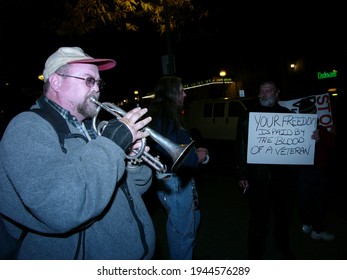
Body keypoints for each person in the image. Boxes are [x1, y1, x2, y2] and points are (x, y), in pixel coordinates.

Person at [0, 46, 156, 260]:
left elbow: (131, 190)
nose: (97, 89)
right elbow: (62, 208)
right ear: (56, 81)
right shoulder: (26, 129)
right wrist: (111, 147)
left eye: (99, 82)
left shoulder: (95, 127)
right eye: (88, 80)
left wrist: (132, 164)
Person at [234, 80, 299, 259]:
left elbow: (298, 143)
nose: (264, 94)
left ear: (277, 93)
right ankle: (255, 254)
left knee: (283, 217)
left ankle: (283, 246)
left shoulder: (288, 115)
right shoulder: (248, 115)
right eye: (261, 91)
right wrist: (241, 174)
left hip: (284, 178)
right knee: (258, 219)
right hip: (258, 177)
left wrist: (312, 138)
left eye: (268, 90)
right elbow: (240, 145)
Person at [147, 75, 209, 260]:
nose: (185, 94)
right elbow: (178, 157)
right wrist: (199, 156)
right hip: (174, 182)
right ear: (172, 93)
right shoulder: (166, 118)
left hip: (175, 182)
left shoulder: (164, 115)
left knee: (190, 222)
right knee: (182, 234)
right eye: (181, 90)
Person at [298, 97, 336, 241]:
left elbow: (332, 146)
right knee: (305, 199)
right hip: (304, 170)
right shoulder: (295, 130)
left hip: (318, 169)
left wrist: (325, 137)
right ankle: (309, 225)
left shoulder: (322, 130)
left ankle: (316, 229)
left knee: (317, 199)